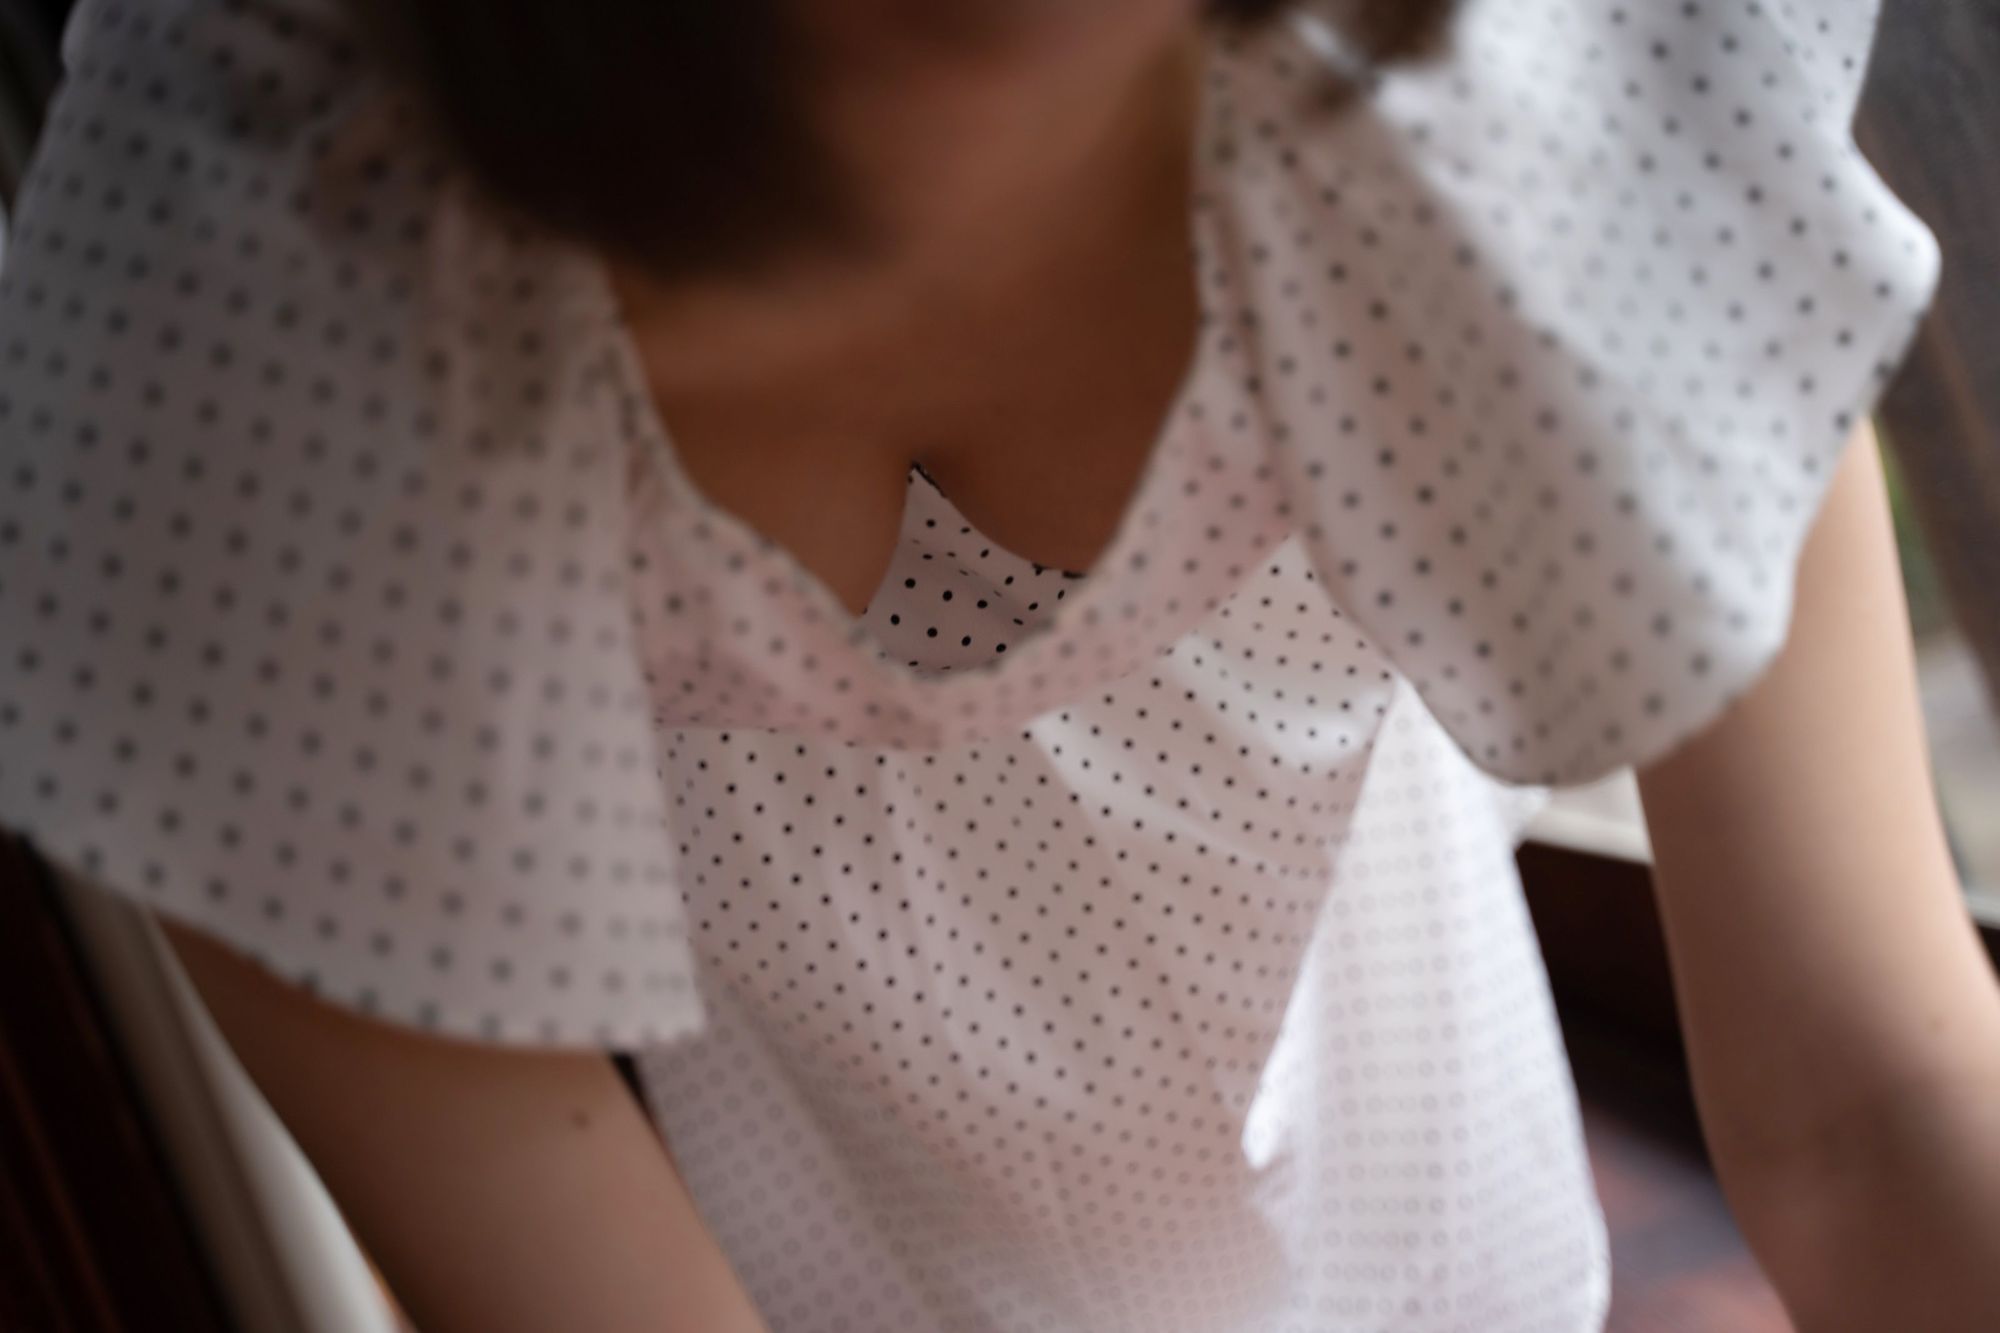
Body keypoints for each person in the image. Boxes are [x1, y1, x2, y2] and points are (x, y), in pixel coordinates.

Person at [2, 0, 1996, 1329]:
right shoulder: (244, 384)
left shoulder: (1521, 79)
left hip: (1405, 1090)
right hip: (834, 1226)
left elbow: (1873, 1103)